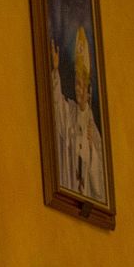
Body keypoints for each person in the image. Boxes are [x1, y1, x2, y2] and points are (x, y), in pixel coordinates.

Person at [50, 26, 107, 203]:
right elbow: (58, 106)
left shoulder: (94, 132)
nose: (78, 89)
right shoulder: (70, 110)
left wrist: (90, 150)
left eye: (82, 86)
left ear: (89, 91)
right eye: (76, 84)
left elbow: (99, 183)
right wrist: (55, 71)